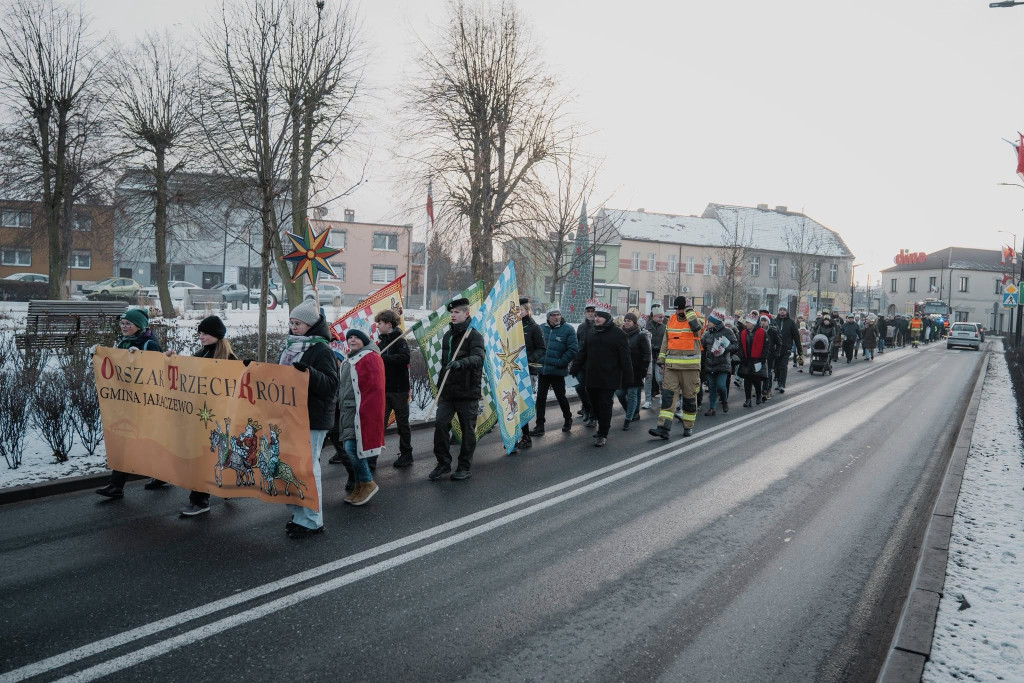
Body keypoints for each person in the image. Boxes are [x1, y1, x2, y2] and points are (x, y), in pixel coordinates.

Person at [268, 300, 339, 538]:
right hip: (289, 417)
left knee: (307, 470)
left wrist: (308, 373)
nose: (293, 327)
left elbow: (331, 385)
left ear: (310, 325)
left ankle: (313, 520)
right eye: (291, 322)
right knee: (291, 469)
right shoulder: (291, 347)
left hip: (312, 418)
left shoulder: (321, 350)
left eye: (298, 323)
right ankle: (300, 516)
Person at [167, 315, 237, 517]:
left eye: (205, 333)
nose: (202, 336)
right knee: (207, 458)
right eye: (200, 333)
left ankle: (200, 501)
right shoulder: (200, 354)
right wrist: (171, 360)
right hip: (200, 416)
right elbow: (186, 375)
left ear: (216, 335)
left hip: (217, 417)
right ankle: (225, 488)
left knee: (206, 458)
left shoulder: (229, 360)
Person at [95, 308, 164, 499]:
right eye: (122, 323)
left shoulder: (149, 343)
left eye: (128, 324)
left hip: (146, 404)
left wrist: (141, 357)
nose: (124, 327)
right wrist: (100, 357)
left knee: (147, 443)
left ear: (139, 326)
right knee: (127, 442)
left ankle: (159, 475)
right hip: (127, 402)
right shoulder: (124, 342)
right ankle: (117, 485)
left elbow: (159, 371)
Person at [431, 297, 485, 481]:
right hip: (448, 391)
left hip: (468, 391)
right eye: (451, 313)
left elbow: (478, 359)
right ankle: (443, 463)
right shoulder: (448, 335)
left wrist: (460, 364)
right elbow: (444, 364)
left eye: (457, 312)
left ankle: (464, 466)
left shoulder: (474, 335)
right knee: (440, 425)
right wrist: (440, 388)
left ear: (466, 313)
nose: (453, 315)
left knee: (467, 431)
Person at [336, 329, 385, 506]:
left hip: (359, 412)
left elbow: (374, 390)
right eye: (349, 337)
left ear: (364, 341)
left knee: (351, 448)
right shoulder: (350, 359)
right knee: (352, 449)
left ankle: (367, 481)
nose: (352, 340)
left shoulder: (369, 358)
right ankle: (359, 485)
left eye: (356, 337)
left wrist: (365, 412)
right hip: (347, 411)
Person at [570, 309, 632, 447]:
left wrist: (628, 378)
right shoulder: (591, 332)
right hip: (592, 376)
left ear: (607, 318)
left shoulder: (618, 334)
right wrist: (574, 369)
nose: (596, 319)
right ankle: (600, 424)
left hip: (609, 377)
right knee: (595, 404)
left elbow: (625, 358)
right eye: (596, 316)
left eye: (600, 317)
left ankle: (603, 433)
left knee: (605, 404)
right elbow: (582, 353)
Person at [648, 296, 703, 440]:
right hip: (672, 368)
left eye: (681, 308)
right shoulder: (671, 319)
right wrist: (661, 361)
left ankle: (688, 426)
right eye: (677, 309)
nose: (679, 311)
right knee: (667, 398)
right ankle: (663, 428)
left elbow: (696, 328)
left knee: (690, 399)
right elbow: (665, 342)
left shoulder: (698, 317)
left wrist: (689, 310)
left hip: (690, 369)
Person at [374, 309, 414, 468]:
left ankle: (406, 453)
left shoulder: (399, 340)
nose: (377, 326)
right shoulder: (381, 342)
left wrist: (385, 358)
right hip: (384, 389)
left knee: (403, 424)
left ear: (388, 324)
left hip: (399, 390)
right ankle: (372, 457)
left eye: (380, 323)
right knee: (378, 424)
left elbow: (405, 357)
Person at [530, 308, 578, 436]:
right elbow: (536, 346)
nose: (557, 317)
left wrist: (561, 362)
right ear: (548, 317)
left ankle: (568, 418)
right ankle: (540, 425)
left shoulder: (568, 329)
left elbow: (573, 349)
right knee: (540, 398)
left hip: (557, 371)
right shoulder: (541, 328)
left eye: (558, 315)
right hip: (543, 370)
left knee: (561, 397)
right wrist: (538, 359)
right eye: (553, 315)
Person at [515, 297, 546, 451]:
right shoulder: (512, 326)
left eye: (520, 309)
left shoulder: (534, 328)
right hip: (513, 370)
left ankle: (526, 437)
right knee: (513, 404)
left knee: (522, 404)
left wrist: (528, 359)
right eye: (516, 310)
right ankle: (514, 436)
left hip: (528, 371)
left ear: (527, 310)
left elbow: (542, 348)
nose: (517, 312)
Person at [615, 312, 650, 431]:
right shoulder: (620, 334)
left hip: (635, 370)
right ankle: (630, 411)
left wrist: (643, 369)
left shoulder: (640, 336)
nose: (626, 322)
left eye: (629, 321)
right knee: (619, 393)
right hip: (621, 371)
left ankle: (629, 418)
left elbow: (646, 354)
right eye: (625, 320)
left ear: (634, 323)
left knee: (632, 394)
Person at [700, 309, 737, 416]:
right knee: (711, 386)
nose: (708, 323)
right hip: (709, 365)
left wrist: (725, 349)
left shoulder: (727, 331)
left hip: (722, 364)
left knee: (721, 385)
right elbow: (702, 347)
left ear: (716, 322)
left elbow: (735, 345)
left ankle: (724, 401)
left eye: (710, 322)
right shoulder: (707, 334)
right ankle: (712, 408)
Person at [737, 314, 769, 407]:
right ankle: (748, 399)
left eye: (748, 322)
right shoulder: (743, 333)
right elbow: (740, 346)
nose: (746, 324)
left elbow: (766, 347)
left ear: (753, 323)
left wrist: (762, 358)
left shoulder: (762, 332)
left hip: (757, 359)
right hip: (747, 360)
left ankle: (758, 396)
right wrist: (742, 357)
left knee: (756, 379)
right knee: (747, 380)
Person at [574, 304, 597, 426]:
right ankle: (587, 409)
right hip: (582, 363)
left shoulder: (599, 326)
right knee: (579, 387)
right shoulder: (581, 327)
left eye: (593, 311)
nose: (590, 313)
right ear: (585, 313)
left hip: (594, 364)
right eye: (588, 311)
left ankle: (593, 416)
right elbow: (578, 344)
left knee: (591, 390)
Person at [772, 306, 801, 394]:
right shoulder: (774, 322)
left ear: (786, 312)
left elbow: (796, 337)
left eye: (784, 310)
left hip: (786, 348)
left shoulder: (791, 323)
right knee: (776, 366)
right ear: (778, 312)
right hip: (776, 348)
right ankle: (777, 380)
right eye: (780, 310)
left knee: (783, 366)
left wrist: (800, 350)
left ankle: (781, 384)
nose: (782, 311)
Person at [642, 304, 666, 409]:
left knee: (660, 379)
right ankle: (647, 400)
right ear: (654, 317)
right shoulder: (647, 327)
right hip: (649, 356)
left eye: (663, 317)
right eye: (660, 317)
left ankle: (662, 395)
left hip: (660, 357)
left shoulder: (665, 328)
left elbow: (666, 343)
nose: (662, 319)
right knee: (648, 378)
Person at [759, 310, 781, 402]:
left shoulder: (772, 331)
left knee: (768, 372)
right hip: (759, 355)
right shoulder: (758, 330)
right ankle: (760, 390)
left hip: (770, 355)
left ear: (768, 322)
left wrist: (776, 352)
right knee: (759, 373)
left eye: (765, 320)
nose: (763, 322)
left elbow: (779, 343)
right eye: (762, 320)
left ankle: (766, 390)